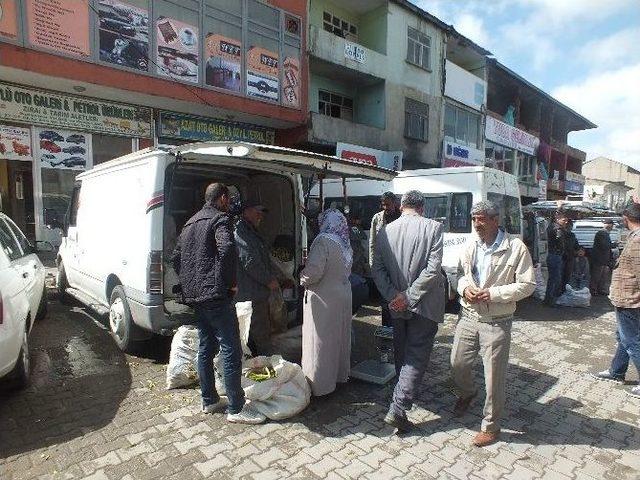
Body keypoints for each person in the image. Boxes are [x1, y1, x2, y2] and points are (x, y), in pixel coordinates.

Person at [173, 183, 265, 424]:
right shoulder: (220, 220)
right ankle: (236, 408)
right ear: (223, 198)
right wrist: (230, 283)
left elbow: (175, 257)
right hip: (215, 295)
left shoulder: (190, 223)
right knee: (231, 349)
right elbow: (226, 249)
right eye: (228, 199)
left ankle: (210, 400)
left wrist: (190, 282)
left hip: (196, 297)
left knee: (205, 347)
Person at [452, 200, 535, 447]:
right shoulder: (470, 246)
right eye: (474, 219)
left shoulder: (516, 247)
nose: (477, 224)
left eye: (482, 219)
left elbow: (528, 285)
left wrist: (494, 294)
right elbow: (458, 275)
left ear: (495, 220)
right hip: (468, 316)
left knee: (493, 377)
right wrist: (465, 289)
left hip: (497, 321)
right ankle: (467, 393)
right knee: (458, 364)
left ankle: (491, 426)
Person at [371, 190, 445, 433]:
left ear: (402, 206)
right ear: (422, 208)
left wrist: (394, 296)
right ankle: (398, 407)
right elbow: (433, 271)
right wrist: (408, 297)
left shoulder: (385, 231)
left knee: (402, 351)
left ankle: (404, 390)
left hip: (396, 305)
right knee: (415, 354)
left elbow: (377, 269)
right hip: (423, 305)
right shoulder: (433, 228)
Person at [300, 209, 353, 396]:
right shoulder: (344, 242)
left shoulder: (323, 241)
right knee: (338, 338)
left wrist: (301, 277)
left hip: (323, 299)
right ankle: (339, 377)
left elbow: (314, 272)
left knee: (320, 341)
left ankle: (320, 386)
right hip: (343, 295)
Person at [592, 204, 640, 398]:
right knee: (623, 338)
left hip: (630, 299)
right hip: (626, 298)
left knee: (632, 341)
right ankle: (616, 372)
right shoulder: (635, 238)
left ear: (626, 218)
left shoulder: (637, 240)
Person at [234, 201, 279, 356]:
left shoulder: (250, 231)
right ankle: (268, 364)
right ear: (246, 212)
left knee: (255, 334)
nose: (261, 216)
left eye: (262, 212)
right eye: (257, 212)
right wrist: (269, 280)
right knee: (261, 333)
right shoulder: (241, 232)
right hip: (251, 294)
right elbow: (250, 261)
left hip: (255, 292)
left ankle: (257, 361)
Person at [369, 192, 400, 327]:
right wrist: (372, 264)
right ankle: (386, 329)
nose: (385, 207)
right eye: (383, 204)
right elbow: (372, 242)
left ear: (394, 203)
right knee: (385, 298)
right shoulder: (377, 218)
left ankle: (398, 326)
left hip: (398, 264)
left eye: (388, 204)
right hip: (382, 264)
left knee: (398, 295)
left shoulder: (401, 217)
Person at [545, 211, 569, 306]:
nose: (566, 222)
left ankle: (550, 300)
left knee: (554, 279)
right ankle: (550, 300)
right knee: (555, 279)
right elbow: (559, 242)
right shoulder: (556, 228)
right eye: (564, 220)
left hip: (555, 255)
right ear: (557, 219)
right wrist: (559, 208)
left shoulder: (555, 227)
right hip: (554, 255)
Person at [590, 219, 614, 295]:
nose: (612, 226)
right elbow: (604, 246)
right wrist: (614, 245)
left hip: (604, 259)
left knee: (603, 276)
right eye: (610, 224)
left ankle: (600, 290)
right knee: (597, 275)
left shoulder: (605, 233)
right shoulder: (601, 233)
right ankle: (593, 290)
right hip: (599, 259)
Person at [562, 219, 578, 293]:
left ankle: (564, 290)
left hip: (570, 258)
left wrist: (578, 251)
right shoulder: (562, 234)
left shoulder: (572, 235)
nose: (569, 227)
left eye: (570, 226)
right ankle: (560, 291)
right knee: (562, 275)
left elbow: (576, 246)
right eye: (568, 226)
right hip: (562, 257)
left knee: (567, 275)